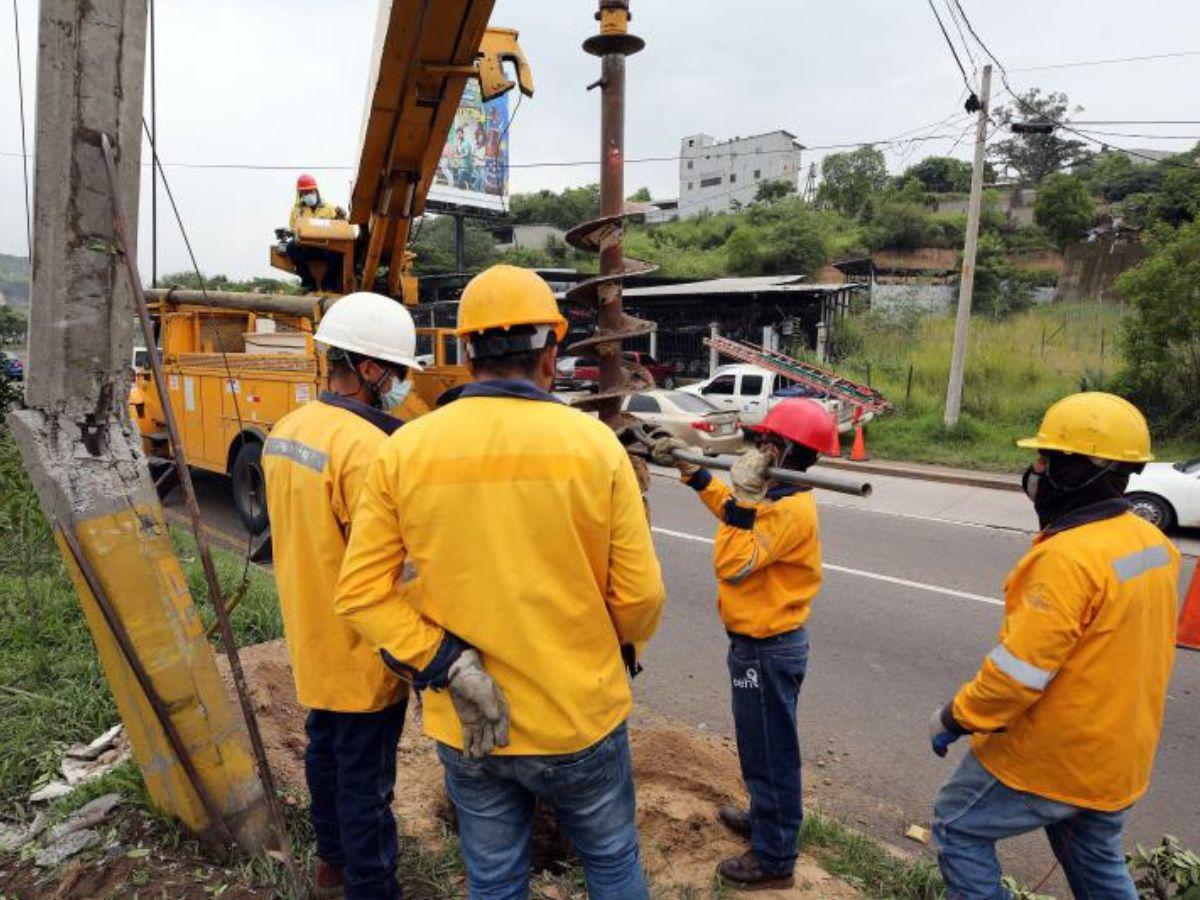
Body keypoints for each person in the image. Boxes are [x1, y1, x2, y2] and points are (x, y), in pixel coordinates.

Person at [334, 264, 666, 899]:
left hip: (470, 725)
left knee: (493, 877)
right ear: (551, 353)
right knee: (613, 860)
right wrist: (614, 652)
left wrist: (449, 666)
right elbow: (641, 597)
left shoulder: (405, 450)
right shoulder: (594, 447)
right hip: (579, 717)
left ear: (463, 352)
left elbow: (362, 593)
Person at [928, 392, 1180, 898]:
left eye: (1047, 459)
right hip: (1119, 757)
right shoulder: (1156, 544)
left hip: (1056, 758)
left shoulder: (1067, 558)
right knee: (1096, 861)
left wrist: (955, 717)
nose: (1036, 471)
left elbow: (1016, 676)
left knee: (958, 825)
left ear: (1077, 471)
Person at [261, 292, 422, 899]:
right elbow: (390, 565)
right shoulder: (372, 450)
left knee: (323, 757)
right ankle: (371, 886)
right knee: (366, 784)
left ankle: (330, 862)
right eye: (399, 372)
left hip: (311, 637)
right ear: (373, 370)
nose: (402, 385)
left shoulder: (287, 429)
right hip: (364, 652)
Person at [651, 398, 835, 890]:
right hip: (761, 644)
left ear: (781, 447)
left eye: (763, 440)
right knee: (761, 746)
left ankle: (775, 859)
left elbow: (733, 559)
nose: (757, 446)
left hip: (768, 648)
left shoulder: (789, 510)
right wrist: (694, 473)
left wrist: (746, 497)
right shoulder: (774, 496)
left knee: (771, 750)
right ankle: (765, 818)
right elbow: (735, 513)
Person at [286, 173, 347, 292]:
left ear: (316, 191)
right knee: (291, 247)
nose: (307, 195)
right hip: (306, 247)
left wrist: (342, 217)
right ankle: (309, 282)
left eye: (309, 191)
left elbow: (339, 227)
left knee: (339, 251)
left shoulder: (329, 208)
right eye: (304, 193)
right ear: (299, 194)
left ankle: (328, 283)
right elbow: (293, 229)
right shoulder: (297, 211)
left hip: (325, 247)